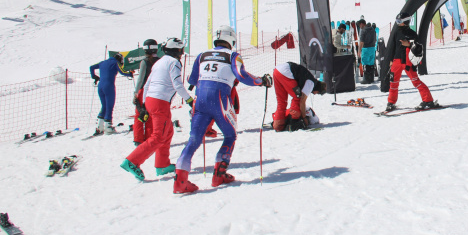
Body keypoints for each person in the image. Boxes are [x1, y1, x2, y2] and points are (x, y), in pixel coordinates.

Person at [173, 26, 272, 193]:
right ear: (231, 40)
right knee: (230, 135)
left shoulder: (202, 55)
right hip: (220, 98)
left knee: (194, 139)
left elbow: (192, 78)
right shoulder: (233, 55)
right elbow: (242, 75)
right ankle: (219, 173)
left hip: (200, 100)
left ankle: (180, 181)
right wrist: (261, 81)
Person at [121, 37, 192, 183]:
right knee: (158, 136)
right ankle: (132, 161)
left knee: (168, 132)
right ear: (178, 50)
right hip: (160, 102)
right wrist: (190, 100)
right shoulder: (174, 62)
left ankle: (162, 164)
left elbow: (147, 84)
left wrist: (145, 104)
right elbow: (178, 84)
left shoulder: (160, 62)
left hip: (152, 100)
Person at [386, 12, 435, 112]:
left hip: (408, 61)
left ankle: (428, 100)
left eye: (399, 21)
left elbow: (418, 47)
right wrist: (391, 60)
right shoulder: (396, 32)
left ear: (406, 22)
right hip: (396, 60)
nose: (398, 24)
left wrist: (408, 44)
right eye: (397, 21)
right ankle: (391, 102)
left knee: (415, 81)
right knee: (393, 82)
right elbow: (392, 47)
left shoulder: (412, 33)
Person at [271, 61, 326, 132]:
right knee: (298, 98)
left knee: (282, 101)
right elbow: (302, 102)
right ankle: (293, 121)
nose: (315, 94)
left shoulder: (309, 79)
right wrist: (304, 118)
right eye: (318, 93)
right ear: (318, 88)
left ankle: (278, 124)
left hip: (277, 71)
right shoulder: (311, 83)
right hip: (286, 72)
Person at [90, 53, 134, 135]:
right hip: (109, 86)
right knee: (110, 106)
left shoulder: (103, 62)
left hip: (100, 86)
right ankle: (108, 127)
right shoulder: (115, 63)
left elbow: (91, 67)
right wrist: (130, 74)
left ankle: (100, 126)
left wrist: (94, 76)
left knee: (104, 105)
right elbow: (122, 72)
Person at [132, 39, 160, 145]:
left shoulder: (144, 62)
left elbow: (140, 78)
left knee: (139, 114)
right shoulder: (160, 60)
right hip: (154, 90)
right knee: (150, 115)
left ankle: (138, 138)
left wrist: (135, 93)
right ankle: (149, 137)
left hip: (143, 89)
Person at [358, 19, 377, 83]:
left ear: (362, 24)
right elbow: (375, 39)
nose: (359, 26)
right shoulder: (373, 30)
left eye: (359, 25)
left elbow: (361, 42)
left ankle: (366, 79)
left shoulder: (363, 31)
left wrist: (359, 51)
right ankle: (371, 78)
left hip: (365, 48)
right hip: (372, 48)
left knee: (365, 64)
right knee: (371, 64)